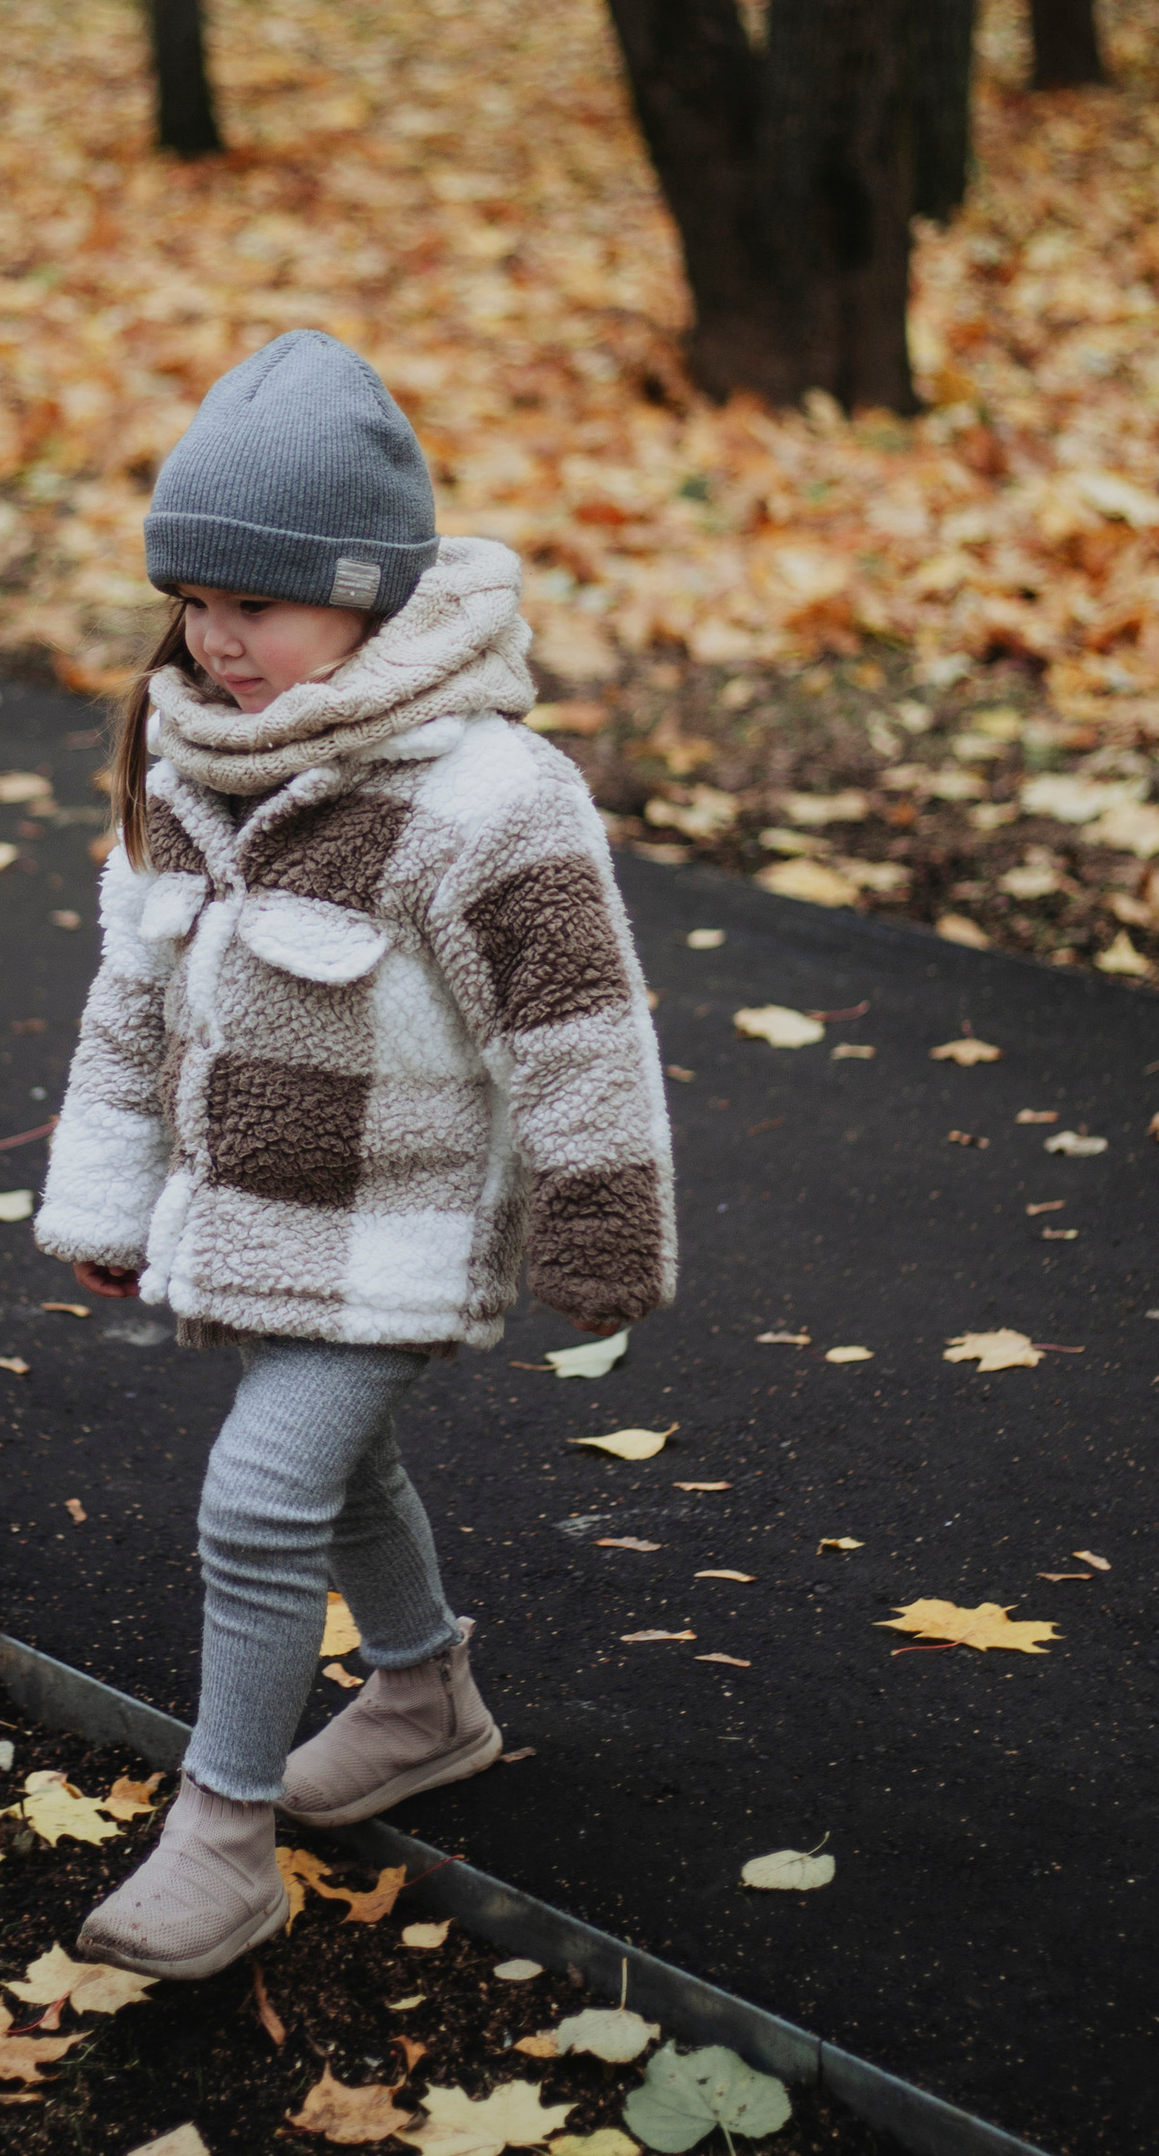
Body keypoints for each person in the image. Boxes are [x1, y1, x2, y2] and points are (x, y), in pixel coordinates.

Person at [33, 327, 676, 1978]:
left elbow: (580, 1033)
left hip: (406, 1223)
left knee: (259, 1495)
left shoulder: (486, 795)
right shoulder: (190, 758)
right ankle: (423, 1697)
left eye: (257, 606)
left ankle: (223, 1841)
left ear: (368, 594)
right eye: (194, 602)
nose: (215, 640)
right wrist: (107, 1199)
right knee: (339, 1475)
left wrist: (601, 1235)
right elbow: (135, 999)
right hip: (257, 1219)